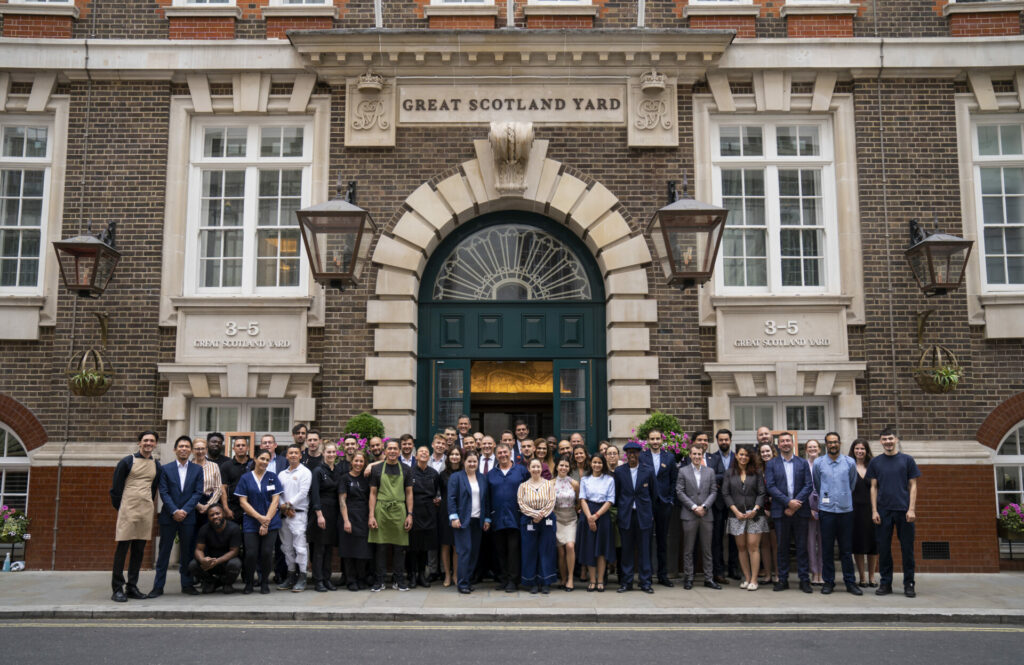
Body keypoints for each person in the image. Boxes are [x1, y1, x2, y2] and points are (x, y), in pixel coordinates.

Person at [867, 427, 921, 598]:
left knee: (907, 550)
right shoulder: (876, 462)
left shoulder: (907, 460)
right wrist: (874, 510)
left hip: (904, 511)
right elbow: (873, 487)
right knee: (884, 549)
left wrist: (911, 508)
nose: (888, 442)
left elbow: (913, 485)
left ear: (896, 439)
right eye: (884, 439)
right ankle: (885, 583)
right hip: (883, 511)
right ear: (881, 442)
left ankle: (909, 584)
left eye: (890, 438)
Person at [149, 435, 204, 598]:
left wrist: (185, 511)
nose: (184, 449)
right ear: (175, 449)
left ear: (191, 450)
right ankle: (158, 587)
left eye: (187, 446)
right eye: (181, 446)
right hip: (169, 517)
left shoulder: (197, 469)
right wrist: (175, 511)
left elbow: (197, 493)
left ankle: (187, 584)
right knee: (164, 552)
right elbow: (164, 492)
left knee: (186, 552)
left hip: (188, 517)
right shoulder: (165, 469)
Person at [110, 430, 160, 603]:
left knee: (139, 551)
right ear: (139, 443)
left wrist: (147, 504)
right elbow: (115, 489)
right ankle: (117, 588)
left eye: (152, 441)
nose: (148, 443)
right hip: (128, 509)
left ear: (155, 444)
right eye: (145, 440)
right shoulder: (127, 461)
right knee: (122, 550)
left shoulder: (157, 464)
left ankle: (132, 586)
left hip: (145, 510)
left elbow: (153, 488)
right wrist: (122, 508)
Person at [812, 432, 862, 596]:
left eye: (835, 442)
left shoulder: (849, 462)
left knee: (846, 550)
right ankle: (829, 582)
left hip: (845, 511)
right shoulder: (819, 463)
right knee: (826, 549)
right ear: (826, 445)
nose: (833, 445)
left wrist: (842, 496)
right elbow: (818, 486)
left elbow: (852, 484)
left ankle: (850, 582)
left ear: (839, 443)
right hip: (826, 512)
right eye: (829, 442)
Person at [764, 432, 813, 593]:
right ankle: (782, 580)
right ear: (778, 445)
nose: (785, 443)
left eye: (787, 441)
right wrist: (788, 502)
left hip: (800, 511)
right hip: (781, 511)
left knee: (802, 547)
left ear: (792, 443)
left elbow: (808, 485)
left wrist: (795, 504)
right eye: (782, 441)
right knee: (782, 547)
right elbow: (770, 486)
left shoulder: (802, 463)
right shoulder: (771, 464)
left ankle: (804, 580)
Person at [369, 439, 414, 592]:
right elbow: (373, 493)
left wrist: (410, 514)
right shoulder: (377, 469)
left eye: (396, 449)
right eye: (390, 448)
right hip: (381, 510)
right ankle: (379, 580)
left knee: (400, 548)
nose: (393, 451)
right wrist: (371, 515)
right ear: (385, 451)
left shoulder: (407, 469)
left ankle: (399, 580)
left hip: (399, 510)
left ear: (399, 451)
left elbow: (409, 493)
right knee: (380, 547)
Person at [236, 449, 283, 594]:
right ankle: (249, 582)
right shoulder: (245, 478)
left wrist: (266, 521)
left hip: (271, 521)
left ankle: (264, 582)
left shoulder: (272, 477)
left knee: (267, 553)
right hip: (251, 522)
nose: (264, 462)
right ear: (255, 459)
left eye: (267, 460)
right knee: (251, 553)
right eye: (262, 458)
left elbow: (276, 501)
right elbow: (243, 502)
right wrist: (260, 519)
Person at [722, 445, 767, 590]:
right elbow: (726, 494)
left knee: (753, 547)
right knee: (741, 547)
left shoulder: (757, 473)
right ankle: (747, 578)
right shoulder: (729, 473)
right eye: (741, 454)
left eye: (746, 455)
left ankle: (754, 580)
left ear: (750, 457)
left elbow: (761, 493)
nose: (743, 457)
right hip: (737, 515)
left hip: (755, 515)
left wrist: (755, 509)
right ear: (736, 455)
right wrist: (735, 511)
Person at [614, 441, 656, 594]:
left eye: (635, 452)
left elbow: (653, 494)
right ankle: (627, 582)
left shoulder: (648, 471)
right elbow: (617, 494)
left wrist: (650, 513)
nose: (632, 455)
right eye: (629, 452)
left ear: (639, 454)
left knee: (644, 549)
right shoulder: (619, 471)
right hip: (626, 514)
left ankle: (645, 582)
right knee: (627, 550)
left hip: (643, 515)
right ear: (626, 454)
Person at [487, 441, 529, 592]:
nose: (503, 455)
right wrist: (487, 517)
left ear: (511, 453)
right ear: (496, 455)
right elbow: (487, 497)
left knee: (513, 550)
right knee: (500, 550)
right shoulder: (491, 474)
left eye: (505, 452)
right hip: (497, 517)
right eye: (499, 453)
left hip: (515, 517)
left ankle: (513, 580)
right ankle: (504, 578)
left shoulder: (521, 471)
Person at [639, 428, 678, 587]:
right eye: (652, 439)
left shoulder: (669, 457)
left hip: (664, 504)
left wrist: (670, 500)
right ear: (647, 441)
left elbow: (674, 480)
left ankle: (663, 575)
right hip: (646, 504)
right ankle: (646, 575)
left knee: (662, 540)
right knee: (646, 540)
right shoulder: (642, 456)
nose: (655, 442)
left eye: (657, 439)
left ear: (662, 440)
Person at [448, 449, 490, 594]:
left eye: (474, 461)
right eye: (469, 461)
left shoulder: (483, 478)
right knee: (464, 551)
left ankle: (468, 579)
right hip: (462, 521)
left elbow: (486, 500)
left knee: (474, 553)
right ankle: (462, 583)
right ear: (464, 462)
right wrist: (453, 517)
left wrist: (487, 518)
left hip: (478, 520)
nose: (472, 464)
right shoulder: (456, 477)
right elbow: (451, 498)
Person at [677, 445, 719, 590]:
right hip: (689, 514)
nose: (696, 456)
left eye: (699, 454)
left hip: (707, 515)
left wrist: (705, 506)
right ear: (690, 455)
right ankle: (688, 578)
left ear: (702, 455)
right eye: (694, 454)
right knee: (688, 549)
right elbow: (680, 491)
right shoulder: (683, 471)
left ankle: (709, 578)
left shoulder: (710, 471)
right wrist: (694, 507)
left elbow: (714, 491)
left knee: (707, 549)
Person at [517, 459, 557, 594]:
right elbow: (521, 503)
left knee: (546, 551)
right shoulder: (523, 486)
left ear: (542, 468)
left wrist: (541, 515)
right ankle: (531, 582)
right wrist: (534, 514)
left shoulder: (549, 484)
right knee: (529, 551)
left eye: (538, 467)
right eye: (533, 467)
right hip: (528, 520)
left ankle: (545, 581)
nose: (535, 469)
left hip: (547, 520)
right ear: (529, 469)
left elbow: (552, 501)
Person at [276, 443, 312, 592]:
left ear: (300, 455)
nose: (293, 455)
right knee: (287, 547)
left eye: (296, 453)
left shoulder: (305, 472)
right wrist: (284, 507)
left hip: (298, 514)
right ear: (286, 456)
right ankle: (291, 575)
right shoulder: (282, 474)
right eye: (290, 453)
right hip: (285, 514)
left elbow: (303, 493)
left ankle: (302, 577)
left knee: (301, 548)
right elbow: (277, 494)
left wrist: (289, 505)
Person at [577, 454, 615, 592]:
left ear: (603, 464)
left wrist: (597, 515)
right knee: (589, 548)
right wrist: (589, 517)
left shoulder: (609, 479)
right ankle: (592, 580)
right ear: (591, 464)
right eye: (594, 462)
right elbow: (582, 499)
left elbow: (610, 500)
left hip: (603, 514)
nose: (597, 465)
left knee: (601, 550)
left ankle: (600, 580)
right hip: (587, 513)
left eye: (599, 462)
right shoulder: (585, 479)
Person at [309, 441, 342, 592]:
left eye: (333, 452)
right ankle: (318, 580)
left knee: (329, 549)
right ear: (323, 454)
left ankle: (327, 578)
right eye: (328, 452)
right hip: (321, 512)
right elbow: (314, 494)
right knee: (319, 549)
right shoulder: (318, 471)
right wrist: (319, 515)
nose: (331, 455)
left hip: (334, 512)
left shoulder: (337, 470)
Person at [708, 428, 739, 584]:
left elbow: (741, 475)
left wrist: (721, 477)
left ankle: (734, 569)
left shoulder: (738, 457)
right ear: (717, 441)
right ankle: (718, 571)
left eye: (726, 439)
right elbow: (710, 475)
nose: (724, 442)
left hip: (736, 503)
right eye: (721, 440)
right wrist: (728, 475)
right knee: (717, 538)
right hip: (718, 503)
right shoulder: (711, 458)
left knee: (736, 538)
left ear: (730, 440)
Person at [408, 445, 442, 588]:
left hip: (429, 512)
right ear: (416, 457)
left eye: (426, 452)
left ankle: (422, 575)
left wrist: (437, 500)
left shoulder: (434, 473)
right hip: (414, 511)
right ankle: (412, 575)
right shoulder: (409, 472)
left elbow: (436, 492)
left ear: (429, 457)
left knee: (424, 547)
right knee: (412, 547)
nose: (423, 454)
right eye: (421, 451)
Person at [188, 504, 242, 594]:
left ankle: (226, 583)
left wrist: (217, 561)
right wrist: (202, 560)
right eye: (212, 515)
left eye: (218, 513)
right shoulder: (204, 529)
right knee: (193, 565)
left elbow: (234, 551)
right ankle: (211, 582)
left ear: (223, 514)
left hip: (227, 562)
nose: (215, 516)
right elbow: (199, 549)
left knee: (235, 564)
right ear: (208, 517)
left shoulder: (234, 528)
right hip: (210, 562)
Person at [339, 450, 373, 591]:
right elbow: (342, 501)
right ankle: (351, 580)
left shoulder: (367, 478)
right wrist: (346, 521)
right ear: (351, 462)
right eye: (356, 461)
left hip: (364, 517)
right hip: (349, 516)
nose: (358, 464)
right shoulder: (345, 478)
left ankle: (361, 578)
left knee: (362, 552)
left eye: (361, 461)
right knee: (349, 551)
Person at [849, 437, 878, 587]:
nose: (859, 451)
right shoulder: (849, 465)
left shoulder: (873, 466)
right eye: (857, 449)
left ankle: (872, 576)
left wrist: (876, 510)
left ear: (866, 451)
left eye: (862, 449)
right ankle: (862, 577)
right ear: (853, 450)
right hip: (853, 510)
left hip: (871, 509)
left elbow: (878, 488)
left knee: (873, 545)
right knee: (858, 544)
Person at [552, 457, 579, 591]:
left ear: (569, 468)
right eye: (561, 465)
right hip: (557, 517)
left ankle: (570, 578)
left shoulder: (574, 483)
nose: (563, 468)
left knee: (569, 545)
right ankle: (562, 578)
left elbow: (579, 500)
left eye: (566, 466)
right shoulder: (550, 483)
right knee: (561, 551)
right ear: (557, 467)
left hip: (571, 518)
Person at [438, 447, 463, 587]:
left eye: (457, 454)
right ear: (448, 457)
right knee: (445, 544)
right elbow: (440, 493)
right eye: (452, 454)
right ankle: (447, 574)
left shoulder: (464, 473)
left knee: (456, 545)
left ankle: (456, 574)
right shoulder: (442, 475)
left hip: (460, 511)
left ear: (460, 457)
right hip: (444, 512)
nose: (454, 456)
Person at [757, 441, 778, 584]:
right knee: (764, 545)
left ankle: (777, 573)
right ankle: (767, 574)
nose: (765, 454)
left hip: (777, 510)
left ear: (773, 452)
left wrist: (772, 508)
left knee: (776, 544)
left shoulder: (778, 467)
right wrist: (763, 508)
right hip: (762, 511)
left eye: (767, 451)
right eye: (762, 452)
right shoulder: (758, 470)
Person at [191, 438, 223, 535]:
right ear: (192, 450)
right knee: (192, 536)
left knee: (208, 536)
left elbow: (218, 489)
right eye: (197, 449)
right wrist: (198, 505)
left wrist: (208, 506)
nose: (200, 451)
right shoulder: (188, 467)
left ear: (206, 450)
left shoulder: (214, 466)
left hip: (209, 503)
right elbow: (186, 489)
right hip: (192, 504)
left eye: (202, 449)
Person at [219, 435, 252, 527]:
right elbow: (223, 488)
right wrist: (226, 508)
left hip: (252, 506)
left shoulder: (254, 464)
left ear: (247, 448)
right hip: (233, 507)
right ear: (233, 448)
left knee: (248, 538)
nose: (240, 447)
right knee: (233, 537)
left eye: (243, 445)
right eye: (238, 445)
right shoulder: (226, 466)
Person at [804, 439, 824, 586]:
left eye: (815, 447)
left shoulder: (825, 463)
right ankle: (814, 572)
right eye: (810, 447)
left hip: (825, 508)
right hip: (807, 508)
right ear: (806, 450)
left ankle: (822, 573)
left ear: (819, 449)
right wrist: (809, 508)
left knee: (823, 542)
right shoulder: (803, 466)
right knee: (810, 542)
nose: (812, 449)